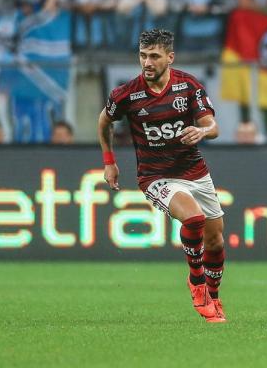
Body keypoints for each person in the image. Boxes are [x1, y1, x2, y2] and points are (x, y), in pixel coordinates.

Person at [97, 29, 227, 323]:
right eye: (143, 56)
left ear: (170, 57)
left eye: (154, 56)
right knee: (193, 218)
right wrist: (109, 161)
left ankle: (214, 297)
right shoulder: (127, 93)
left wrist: (202, 131)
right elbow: (104, 120)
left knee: (216, 240)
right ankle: (196, 283)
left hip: (194, 170)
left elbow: (213, 126)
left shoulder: (188, 86)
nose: (147, 62)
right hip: (156, 175)